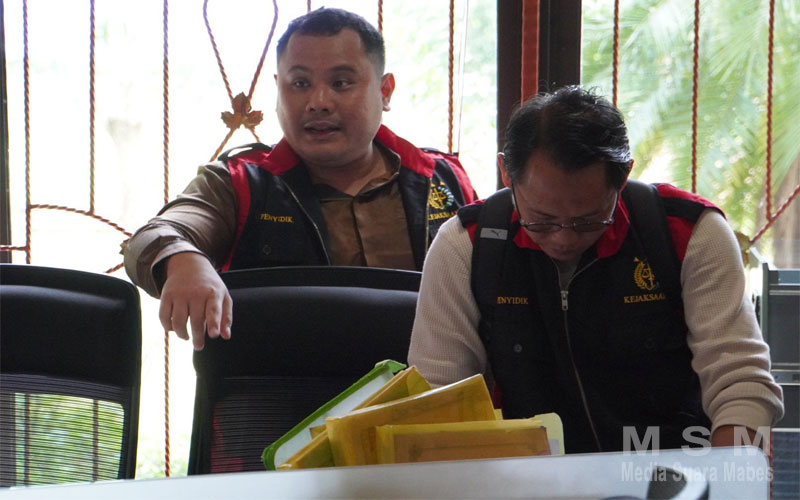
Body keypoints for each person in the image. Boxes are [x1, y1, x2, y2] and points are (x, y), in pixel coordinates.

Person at [408, 86, 783, 452]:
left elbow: (740, 382)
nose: (563, 239)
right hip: (529, 475)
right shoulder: (466, 246)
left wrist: (732, 474)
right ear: (506, 172)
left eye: (588, 220)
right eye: (541, 220)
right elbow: (438, 399)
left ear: (624, 176)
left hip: (672, 469)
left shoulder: (686, 233)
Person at [123, 8, 477, 351]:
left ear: (385, 91)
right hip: (277, 388)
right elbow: (154, 236)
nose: (318, 102)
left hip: (429, 387)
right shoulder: (238, 182)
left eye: (340, 83)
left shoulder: (443, 178)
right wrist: (182, 259)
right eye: (300, 84)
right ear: (279, 89)